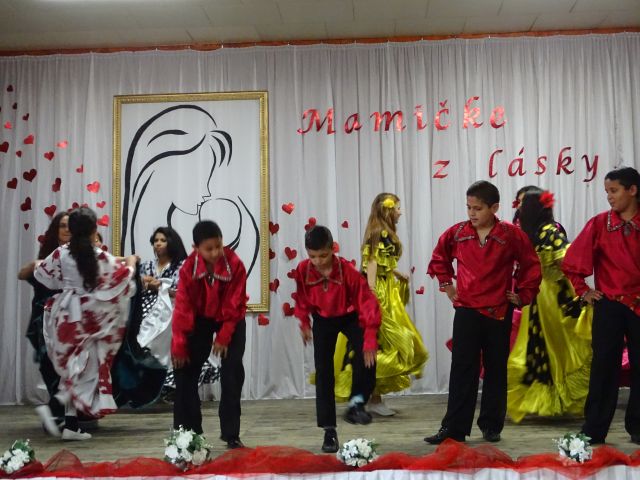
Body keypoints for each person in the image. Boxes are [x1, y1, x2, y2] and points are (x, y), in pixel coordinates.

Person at [425, 180, 541, 444]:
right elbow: (439, 258)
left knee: (495, 369)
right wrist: (446, 284)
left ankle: (491, 425)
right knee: (462, 368)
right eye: (469, 207)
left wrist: (523, 295)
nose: (472, 213)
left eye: (477, 208)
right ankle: (454, 428)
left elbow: (531, 265)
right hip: (466, 310)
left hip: (498, 310)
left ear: (494, 208)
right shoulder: (457, 233)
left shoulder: (510, 234)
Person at [34, 207, 137, 440]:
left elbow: (44, 276)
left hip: (65, 316)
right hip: (89, 318)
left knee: (73, 370)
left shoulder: (61, 253)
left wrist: (67, 284)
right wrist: (131, 263)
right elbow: (121, 276)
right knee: (85, 371)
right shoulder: (99, 256)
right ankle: (53, 408)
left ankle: (71, 426)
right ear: (93, 230)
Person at [562, 166, 640, 445]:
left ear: (633, 190)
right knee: (604, 367)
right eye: (607, 191)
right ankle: (594, 428)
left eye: (614, 190)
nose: (609, 196)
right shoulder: (598, 224)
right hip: (609, 306)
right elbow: (573, 262)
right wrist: (583, 290)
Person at [334, 193, 427, 416]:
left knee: (382, 343)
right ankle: (372, 398)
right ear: (388, 210)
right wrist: (372, 293)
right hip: (380, 291)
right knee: (382, 341)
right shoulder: (380, 233)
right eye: (397, 208)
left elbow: (381, 262)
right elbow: (373, 261)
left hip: (386, 289)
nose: (400, 212)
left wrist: (397, 273)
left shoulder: (383, 232)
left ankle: (374, 397)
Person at [293, 225, 380, 453]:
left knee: (368, 355)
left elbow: (367, 303)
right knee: (324, 372)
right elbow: (302, 298)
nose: (318, 261)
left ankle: (357, 403)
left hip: (350, 316)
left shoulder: (347, 272)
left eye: (323, 255)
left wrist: (370, 337)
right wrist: (304, 323)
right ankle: (329, 430)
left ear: (332, 249)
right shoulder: (303, 270)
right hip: (323, 319)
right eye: (312, 256)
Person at [506, 189, 592, 422]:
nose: (518, 208)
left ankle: (553, 400)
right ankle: (552, 401)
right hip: (544, 297)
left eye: (522, 205)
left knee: (552, 348)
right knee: (550, 348)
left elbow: (568, 262)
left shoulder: (546, 232)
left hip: (551, 297)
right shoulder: (534, 232)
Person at [171, 220, 247, 449]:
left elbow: (234, 305)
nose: (215, 253)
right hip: (199, 319)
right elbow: (183, 307)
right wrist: (179, 344)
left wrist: (224, 337)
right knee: (184, 371)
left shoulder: (235, 264)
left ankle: (231, 434)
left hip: (230, 319)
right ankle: (189, 435)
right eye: (209, 249)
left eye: (218, 246)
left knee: (232, 371)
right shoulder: (188, 268)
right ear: (196, 248)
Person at [113, 226, 189, 408]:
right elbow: (134, 285)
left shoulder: (183, 266)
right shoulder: (147, 265)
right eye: (156, 241)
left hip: (171, 308)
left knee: (162, 334)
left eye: (163, 240)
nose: (158, 244)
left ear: (172, 243)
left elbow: (183, 292)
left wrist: (160, 286)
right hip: (144, 306)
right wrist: (144, 283)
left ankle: (168, 386)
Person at [18, 212, 70, 429]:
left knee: (70, 366)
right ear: (56, 229)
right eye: (63, 225)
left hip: (69, 318)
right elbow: (22, 274)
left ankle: (61, 412)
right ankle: (57, 412)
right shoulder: (48, 257)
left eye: (70, 226)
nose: (67, 229)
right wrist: (35, 264)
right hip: (44, 318)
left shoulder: (80, 256)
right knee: (48, 363)